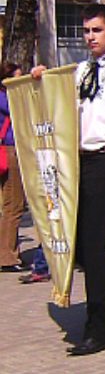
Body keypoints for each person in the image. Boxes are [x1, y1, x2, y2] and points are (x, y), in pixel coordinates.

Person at [32, 3, 105, 356]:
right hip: (78, 164)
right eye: (86, 31)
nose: (90, 37)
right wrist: (40, 78)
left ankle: (98, 329)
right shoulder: (81, 70)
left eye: (96, 30)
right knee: (83, 248)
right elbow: (58, 104)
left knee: (95, 246)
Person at [0, 62, 24, 271]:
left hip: (5, 151)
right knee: (14, 205)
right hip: (10, 151)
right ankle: (7, 256)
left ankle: (8, 252)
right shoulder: (8, 100)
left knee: (8, 205)